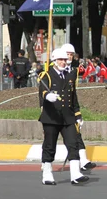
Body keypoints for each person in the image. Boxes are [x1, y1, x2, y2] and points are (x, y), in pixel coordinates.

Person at [38, 48, 89, 185]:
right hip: (51, 117)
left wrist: (78, 115)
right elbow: (42, 91)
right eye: (60, 60)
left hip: (68, 117)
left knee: (73, 144)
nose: (63, 62)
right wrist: (48, 96)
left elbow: (73, 97)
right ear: (54, 61)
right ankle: (47, 174)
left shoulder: (70, 75)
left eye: (65, 59)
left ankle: (75, 174)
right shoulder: (47, 75)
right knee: (50, 146)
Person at [62, 44, 97, 172]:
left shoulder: (73, 70)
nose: (69, 57)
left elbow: (73, 93)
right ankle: (46, 163)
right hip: (56, 108)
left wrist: (78, 113)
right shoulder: (52, 69)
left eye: (71, 54)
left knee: (76, 133)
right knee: (51, 137)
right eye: (67, 54)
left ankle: (83, 161)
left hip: (70, 107)